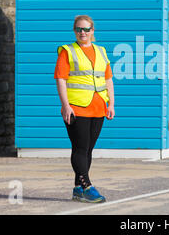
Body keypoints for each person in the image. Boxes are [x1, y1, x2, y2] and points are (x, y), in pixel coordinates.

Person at [54, 15, 115, 203]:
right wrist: (66, 105)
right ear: (74, 31)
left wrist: (111, 103)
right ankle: (87, 186)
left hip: (98, 108)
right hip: (77, 108)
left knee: (88, 149)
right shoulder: (68, 51)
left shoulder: (101, 51)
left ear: (92, 31)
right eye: (79, 29)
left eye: (86, 29)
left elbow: (108, 80)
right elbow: (61, 79)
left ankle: (77, 189)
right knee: (80, 148)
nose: (83, 33)